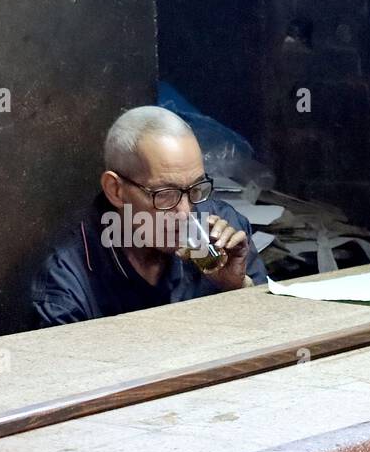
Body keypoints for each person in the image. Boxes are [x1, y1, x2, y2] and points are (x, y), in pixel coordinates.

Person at [31, 106, 267, 327]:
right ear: (116, 190)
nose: (185, 211)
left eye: (195, 188)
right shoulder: (69, 280)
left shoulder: (221, 234)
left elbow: (270, 338)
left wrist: (236, 287)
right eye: (165, 194)